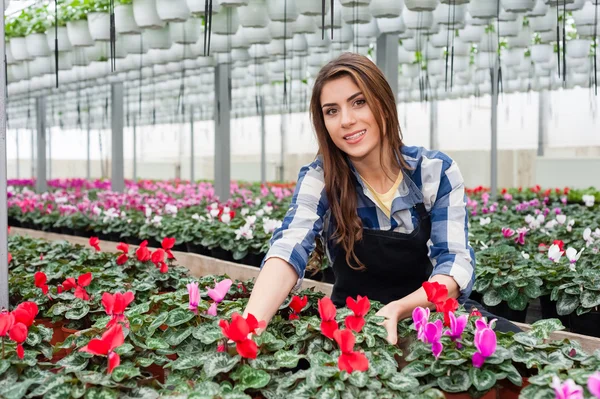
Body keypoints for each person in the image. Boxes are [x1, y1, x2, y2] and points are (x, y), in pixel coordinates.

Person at [243, 53, 519, 344]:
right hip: (355, 320)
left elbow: (454, 265)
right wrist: (249, 328)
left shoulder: (434, 172)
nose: (346, 120)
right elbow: (289, 248)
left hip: (430, 315)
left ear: (383, 105)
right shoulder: (321, 178)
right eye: (332, 111)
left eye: (358, 102)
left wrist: (398, 309)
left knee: (516, 352)